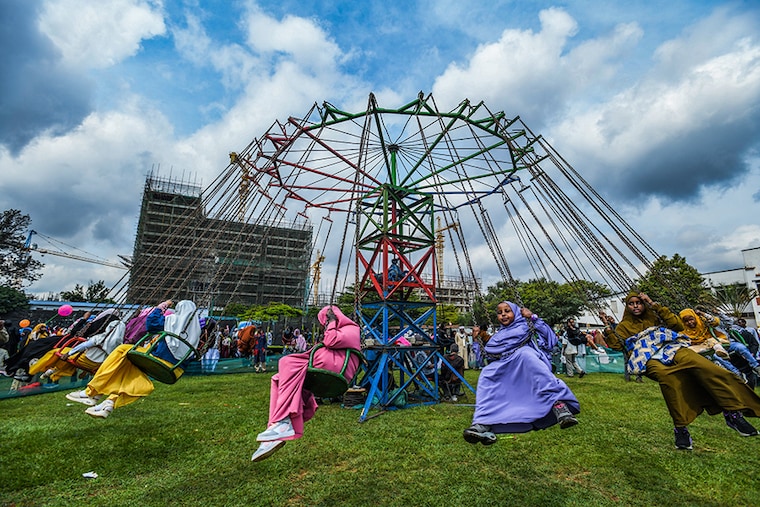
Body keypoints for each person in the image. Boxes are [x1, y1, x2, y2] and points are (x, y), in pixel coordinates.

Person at [601, 291, 760, 449]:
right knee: (668, 379)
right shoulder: (623, 326)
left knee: (705, 366)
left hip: (669, 346)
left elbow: (676, 325)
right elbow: (616, 345)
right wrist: (608, 328)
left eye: (639, 302)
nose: (636, 306)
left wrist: (653, 304)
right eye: (631, 303)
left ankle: (732, 412)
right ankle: (681, 428)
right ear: (627, 306)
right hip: (645, 355)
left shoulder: (655, 316)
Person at [251, 305, 361, 462]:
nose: (325, 325)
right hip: (328, 360)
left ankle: (284, 423)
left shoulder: (351, 328)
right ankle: (274, 428)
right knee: (277, 378)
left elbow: (331, 340)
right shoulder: (338, 328)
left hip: (335, 365)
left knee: (287, 362)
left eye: (325, 321)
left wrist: (331, 322)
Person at [463, 301, 579, 445]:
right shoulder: (498, 337)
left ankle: (559, 406)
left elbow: (551, 339)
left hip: (524, 360)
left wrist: (533, 318)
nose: (503, 314)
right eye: (500, 313)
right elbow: (483, 360)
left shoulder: (527, 326)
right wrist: (476, 340)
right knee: (487, 372)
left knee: (526, 356)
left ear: (516, 312)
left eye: (507, 311)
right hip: (506, 366)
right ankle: (483, 422)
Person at [65, 300, 201, 419]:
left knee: (122, 350)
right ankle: (108, 404)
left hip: (159, 360)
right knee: (131, 372)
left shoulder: (171, 321)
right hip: (175, 370)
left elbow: (151, 323)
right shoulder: (196, 331)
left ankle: (92, 391)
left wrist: (161, 307)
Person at [678, 308, 745, 379]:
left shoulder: (702, 322)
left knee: (717, 354)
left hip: (712, 344)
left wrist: (702, 314)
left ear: (695, 317)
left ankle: (737, 373)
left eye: (691, 319)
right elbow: (683, 342)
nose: (690, 322)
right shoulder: (682, 331)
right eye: (686, 321)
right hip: (699, 351)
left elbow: (715, 321)